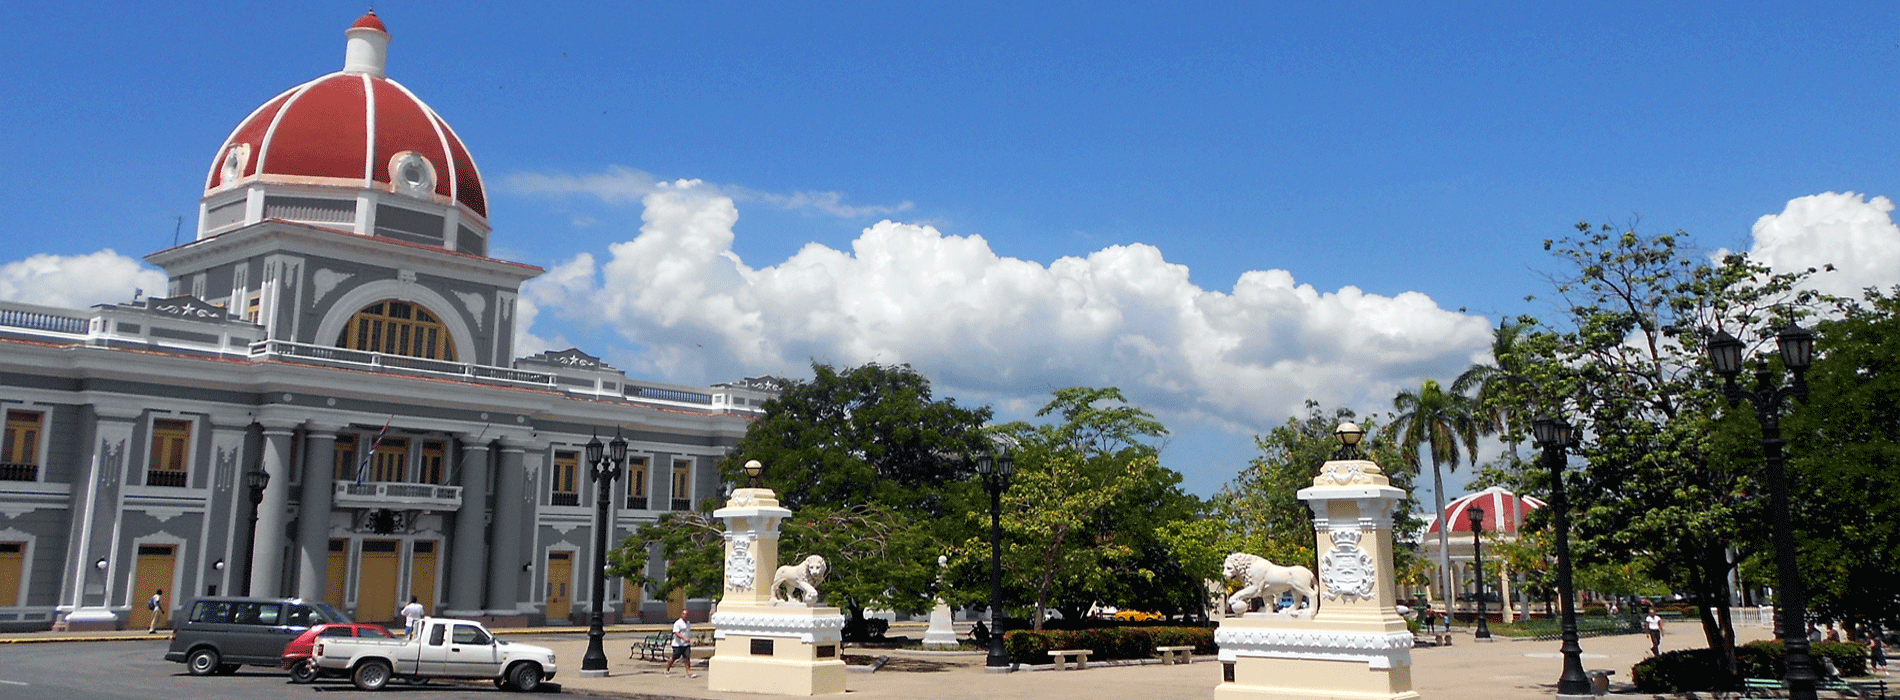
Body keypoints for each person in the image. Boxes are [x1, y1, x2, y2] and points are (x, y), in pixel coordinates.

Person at [666, 610, 696, 678]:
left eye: (687, 614)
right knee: (674, 657)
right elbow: (676, 633)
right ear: (681, 615)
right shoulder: (678, 623)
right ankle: (667, 669)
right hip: (678, 644)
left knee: (687, 658)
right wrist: (684, 638)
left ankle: (689, 672)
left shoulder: (688, 623)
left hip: (686, 644)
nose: (685, 616)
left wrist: (688, 639)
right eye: (684, 614)